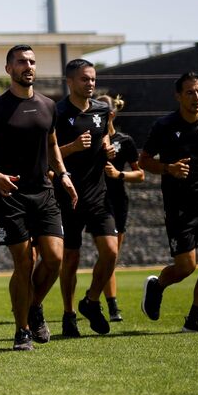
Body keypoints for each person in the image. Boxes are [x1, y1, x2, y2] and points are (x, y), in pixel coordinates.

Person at [0, 45, 77, 351]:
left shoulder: (48, 106)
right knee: (23, 262)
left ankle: (33, 305)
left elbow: (53, 143)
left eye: (31, 62)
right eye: (21, 62)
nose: (28, 66)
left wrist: (64, 174)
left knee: (54, 258)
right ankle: (22, 331)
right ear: (8, 69)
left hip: (43, 192)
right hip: (10, 194)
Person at [138, 72, 198, 333]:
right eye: (190, 92)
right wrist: (168, 168)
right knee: (186, 267)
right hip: (178, 205)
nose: (196, 97)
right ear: (178, 96)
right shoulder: (164, 126)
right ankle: (157, 286)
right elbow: (143, 161)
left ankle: (194, 319)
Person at [53, 59, 118, 338]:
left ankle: (91, 302)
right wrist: (73, 146)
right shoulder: (57, 112)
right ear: (70, 81)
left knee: (111, 252)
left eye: (92, 79)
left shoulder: (102, 110)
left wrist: (108, 151)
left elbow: (103, 139)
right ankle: (69, 315)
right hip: (68, 194)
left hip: (97, 193)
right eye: (84, 79)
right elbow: (50, 154)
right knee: (71, 259)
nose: (90, 84)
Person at [97, 93, 144, 322]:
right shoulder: (90, 140)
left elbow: (140, 174)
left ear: (112, 114)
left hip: (118, 202)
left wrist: (119, 174)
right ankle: (110, 305)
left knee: (112, 256)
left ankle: (110, 304)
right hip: (96, 201)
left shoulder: (125, 141)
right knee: (108, 252)